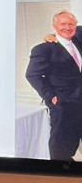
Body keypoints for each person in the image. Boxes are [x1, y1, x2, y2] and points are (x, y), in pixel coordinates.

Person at [25, 10, 82, 161]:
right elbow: (32, 75)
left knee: (75, 137)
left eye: (71, 24)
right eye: (62, 24)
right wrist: (51, 96)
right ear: (54, 25)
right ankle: (58, 174)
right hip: (63, 104)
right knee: (61, 144)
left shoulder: (78, 38)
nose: (68, 27)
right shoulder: (44, 49)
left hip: (80, 101)